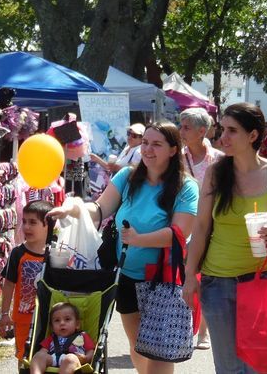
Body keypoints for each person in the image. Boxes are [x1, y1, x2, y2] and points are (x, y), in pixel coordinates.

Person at [48, 121, 198, 374]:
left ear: (173, 150)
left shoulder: (186, 186)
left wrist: (138, 239)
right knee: (138, 345)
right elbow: (100, 208)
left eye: (156, 144)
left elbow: (179, 233)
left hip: (163, 279)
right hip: (125, 275)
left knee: (159, 350)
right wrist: (73, 208)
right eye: (146, 143)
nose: (148, 150)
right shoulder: (128, 176)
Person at [182, 103, 267, 374]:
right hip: (216, 282)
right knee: (229, 368)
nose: (223, 137)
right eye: (222, 129)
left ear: (253, 135)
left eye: (232, 131)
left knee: (257, 366)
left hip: (260, 280)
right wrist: (189, 276)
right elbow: (201, 227)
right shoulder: (216, 172)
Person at [178, 107, 223, 350]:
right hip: (183, 225)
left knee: (204, 277)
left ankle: (203, 332)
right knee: (183, 277)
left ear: (202, 131)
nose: (181, 131)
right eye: (181, 126)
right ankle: (184, 329)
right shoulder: (176, 157)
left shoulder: (218, 159)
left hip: (209, 227)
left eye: (186, 127)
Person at [0, 200, 53, 360]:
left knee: (46, 360)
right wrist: (4, 314)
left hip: (49, 319)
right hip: (23, 319)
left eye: (32, 222)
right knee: (24, 359)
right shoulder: (17, 253)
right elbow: (8, 285)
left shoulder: (56, 254)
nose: (26, 227)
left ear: (47, 226)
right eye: (24, 222)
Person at [29, 302, 95, 374]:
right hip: (53, 358)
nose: (62, 323)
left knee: (70, 358)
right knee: (39, 356)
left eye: (67, 319)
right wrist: (40, 357)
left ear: (77, 324)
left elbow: (91, 352)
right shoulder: (51, 338)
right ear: (52, 327)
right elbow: (43, 351)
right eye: (57, 320)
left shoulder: (83, 336)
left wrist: (86, 358)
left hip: (74, 360)